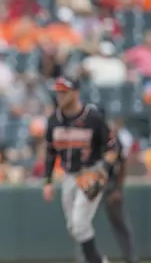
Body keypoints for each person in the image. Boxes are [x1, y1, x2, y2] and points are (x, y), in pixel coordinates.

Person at [42, 76, 119, 263]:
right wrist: (48, 181)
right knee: (73, 227)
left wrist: (104, 168)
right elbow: (51, 152)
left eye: (64, 91)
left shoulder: (92, 118)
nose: (60, 95)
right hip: (69, 175)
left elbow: (113, 147)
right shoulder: (54, 120)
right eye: (58, 91)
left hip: (91, 172)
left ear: (75, 92)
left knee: (79, 224)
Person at [74, 107, 139, 263]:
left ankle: (132, 259)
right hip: (91, 185)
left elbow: (122, 165)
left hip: (109, 186)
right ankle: (84, 259)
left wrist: (117, 189)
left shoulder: (112, 138)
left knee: (120, 225)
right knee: (81, 224)